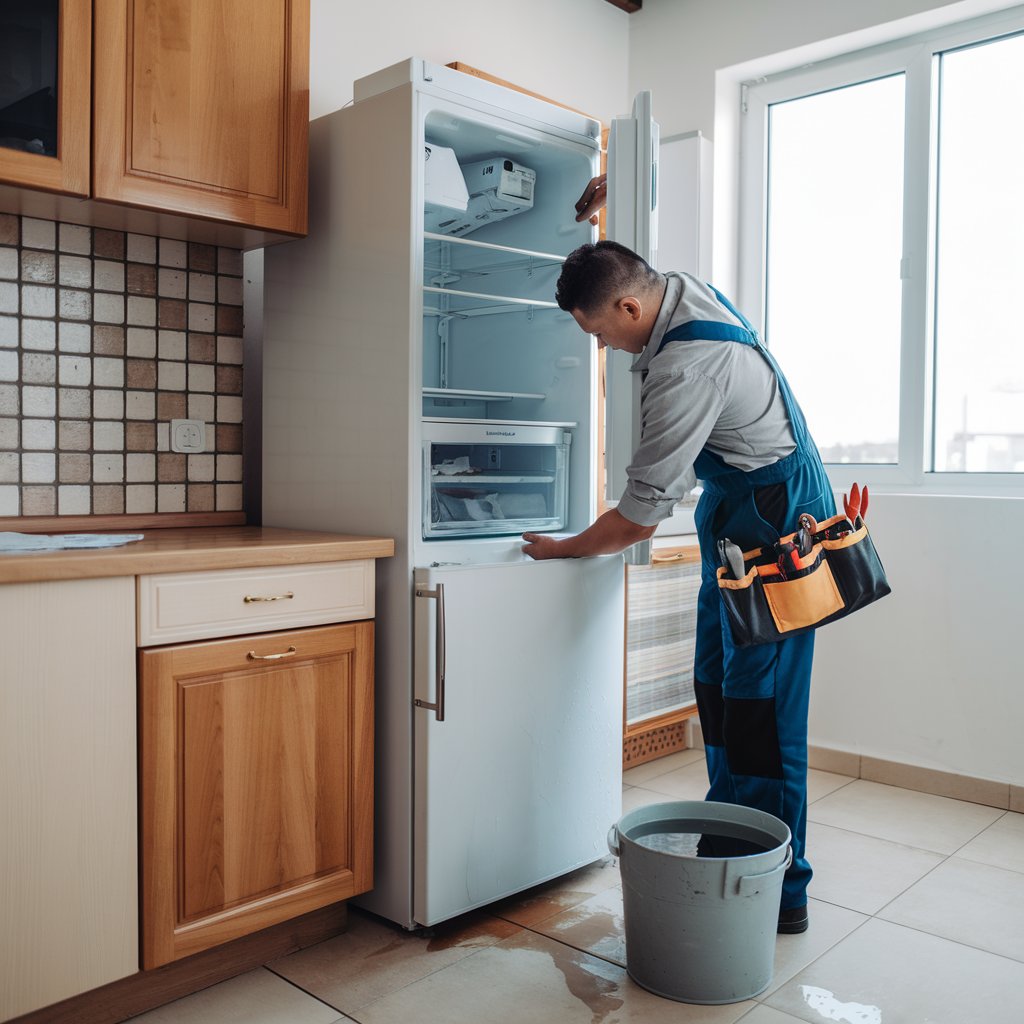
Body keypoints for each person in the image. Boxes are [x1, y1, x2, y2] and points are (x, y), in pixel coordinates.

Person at [521, 175, 835, 934]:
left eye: (600, 334)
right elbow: (625, 269)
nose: (603, 348)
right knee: (720, 688)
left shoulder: (686, 367)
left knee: (761, 713)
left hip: (773, 526)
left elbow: (637, 518)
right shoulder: (678, 289)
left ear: (630, 310)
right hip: (738, 513)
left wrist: (564, 549)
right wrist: (601, 213)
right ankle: (732, 845)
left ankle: (776, 891)